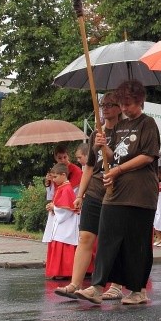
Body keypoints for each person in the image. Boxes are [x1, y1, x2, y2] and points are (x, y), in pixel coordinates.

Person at [74, 80, 161, 305]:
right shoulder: (120, 127)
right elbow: (114, 157)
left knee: (136, 242)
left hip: (140, 194)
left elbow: (148, 156)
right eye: (122, 104)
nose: (124, 108)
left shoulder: (147, 123)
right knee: (107, 239)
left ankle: (138, 290)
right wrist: (103, 146)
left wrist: (119, 169)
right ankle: (96, 286)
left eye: (129, 104)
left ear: (140, 101)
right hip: (115, 192)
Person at [54, 92, 123, 300]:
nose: (106, 109)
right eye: (103, 105)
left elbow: (122, 160)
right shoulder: (96, 134)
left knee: (112, 239)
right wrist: (80, 194)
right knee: (85, 236)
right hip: (94, 188)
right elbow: (89, 167)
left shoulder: (126, 131)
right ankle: (75, 284)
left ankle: (116, 285)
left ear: (120, 107)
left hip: (116, 189)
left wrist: (106, 146)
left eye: (110, 105)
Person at [45, 163, 79, 279]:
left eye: (55, 177)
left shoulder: (67, 189)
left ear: (63, 175)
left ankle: (65, 272)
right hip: (61, 223)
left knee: (64, 245)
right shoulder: (62, 187)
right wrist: (53, 206)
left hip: (66, 224)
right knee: (59, 244)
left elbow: (67, 210)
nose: (53, 180)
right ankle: (58, 272)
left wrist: (54, 207)